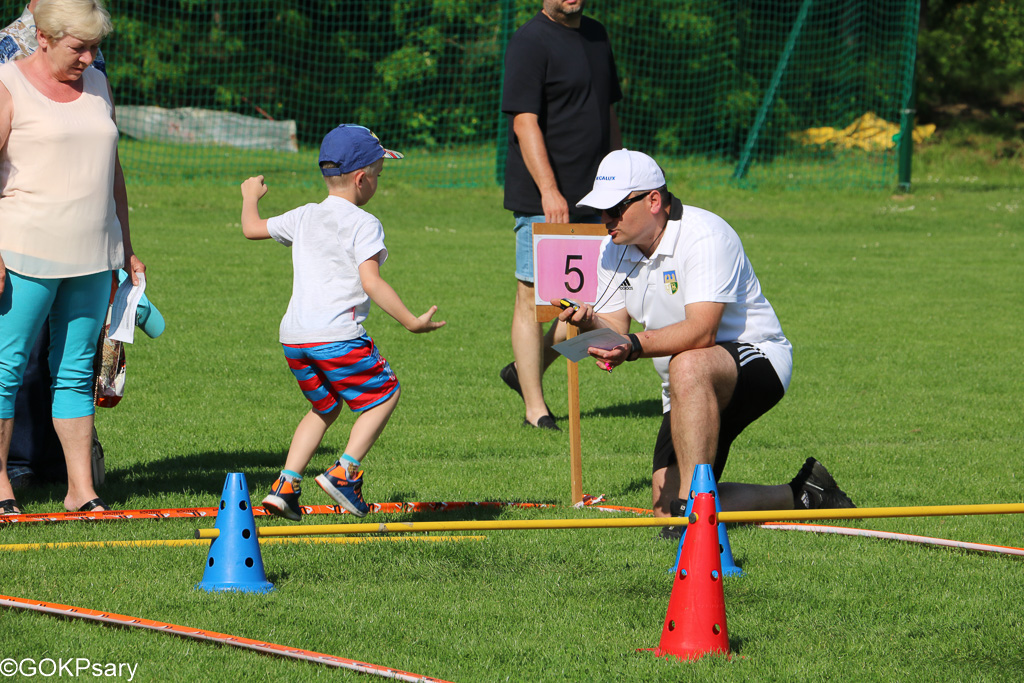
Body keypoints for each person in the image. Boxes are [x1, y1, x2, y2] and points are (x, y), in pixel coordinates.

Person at [556, 149, 855, 527]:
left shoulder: (705, 235)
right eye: (601, 210)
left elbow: (702, 331)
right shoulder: (611, 248)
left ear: (653, 201)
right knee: (663, 508)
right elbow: (617, 326)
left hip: (757, 358)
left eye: (615, 209)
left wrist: (632, 346)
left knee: (688, 364)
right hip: (686, 379)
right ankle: (804, 494)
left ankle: (690, 521)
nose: (606, 220)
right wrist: (590, 323)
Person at [240, 124, 446, 522]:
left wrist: (250, 197)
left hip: (294, 338)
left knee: (325, 406)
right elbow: (372, 282)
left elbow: (251, 229)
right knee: (385, 394)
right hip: (337, 337)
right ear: (361, 179)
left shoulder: (304, 215)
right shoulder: (364, 223)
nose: (378, 183)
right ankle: (344, 472)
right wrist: (411, 322)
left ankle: (285, 486)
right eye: (379, 175)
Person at [0, 0, 154, 493]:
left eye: (94, 48)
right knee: (6, 371)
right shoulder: (7, 83)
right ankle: (1, 487)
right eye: (79, 48)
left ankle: (81, 492)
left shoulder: (98, 84)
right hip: (24, 253)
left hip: (94, 256)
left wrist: (125, 245)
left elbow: (113, 170)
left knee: (75, 373)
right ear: (43, 37)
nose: (89, 59)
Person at [500, 0, 622, 430]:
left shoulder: (597, 35)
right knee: (534, 298)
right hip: (543, 199)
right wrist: (549, 191)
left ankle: (524, 369)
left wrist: (619, 182)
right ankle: (535, 408)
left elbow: (608, 112)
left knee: (598, 302)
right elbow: (524, 123)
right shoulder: (529, 41)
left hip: (596, 196)